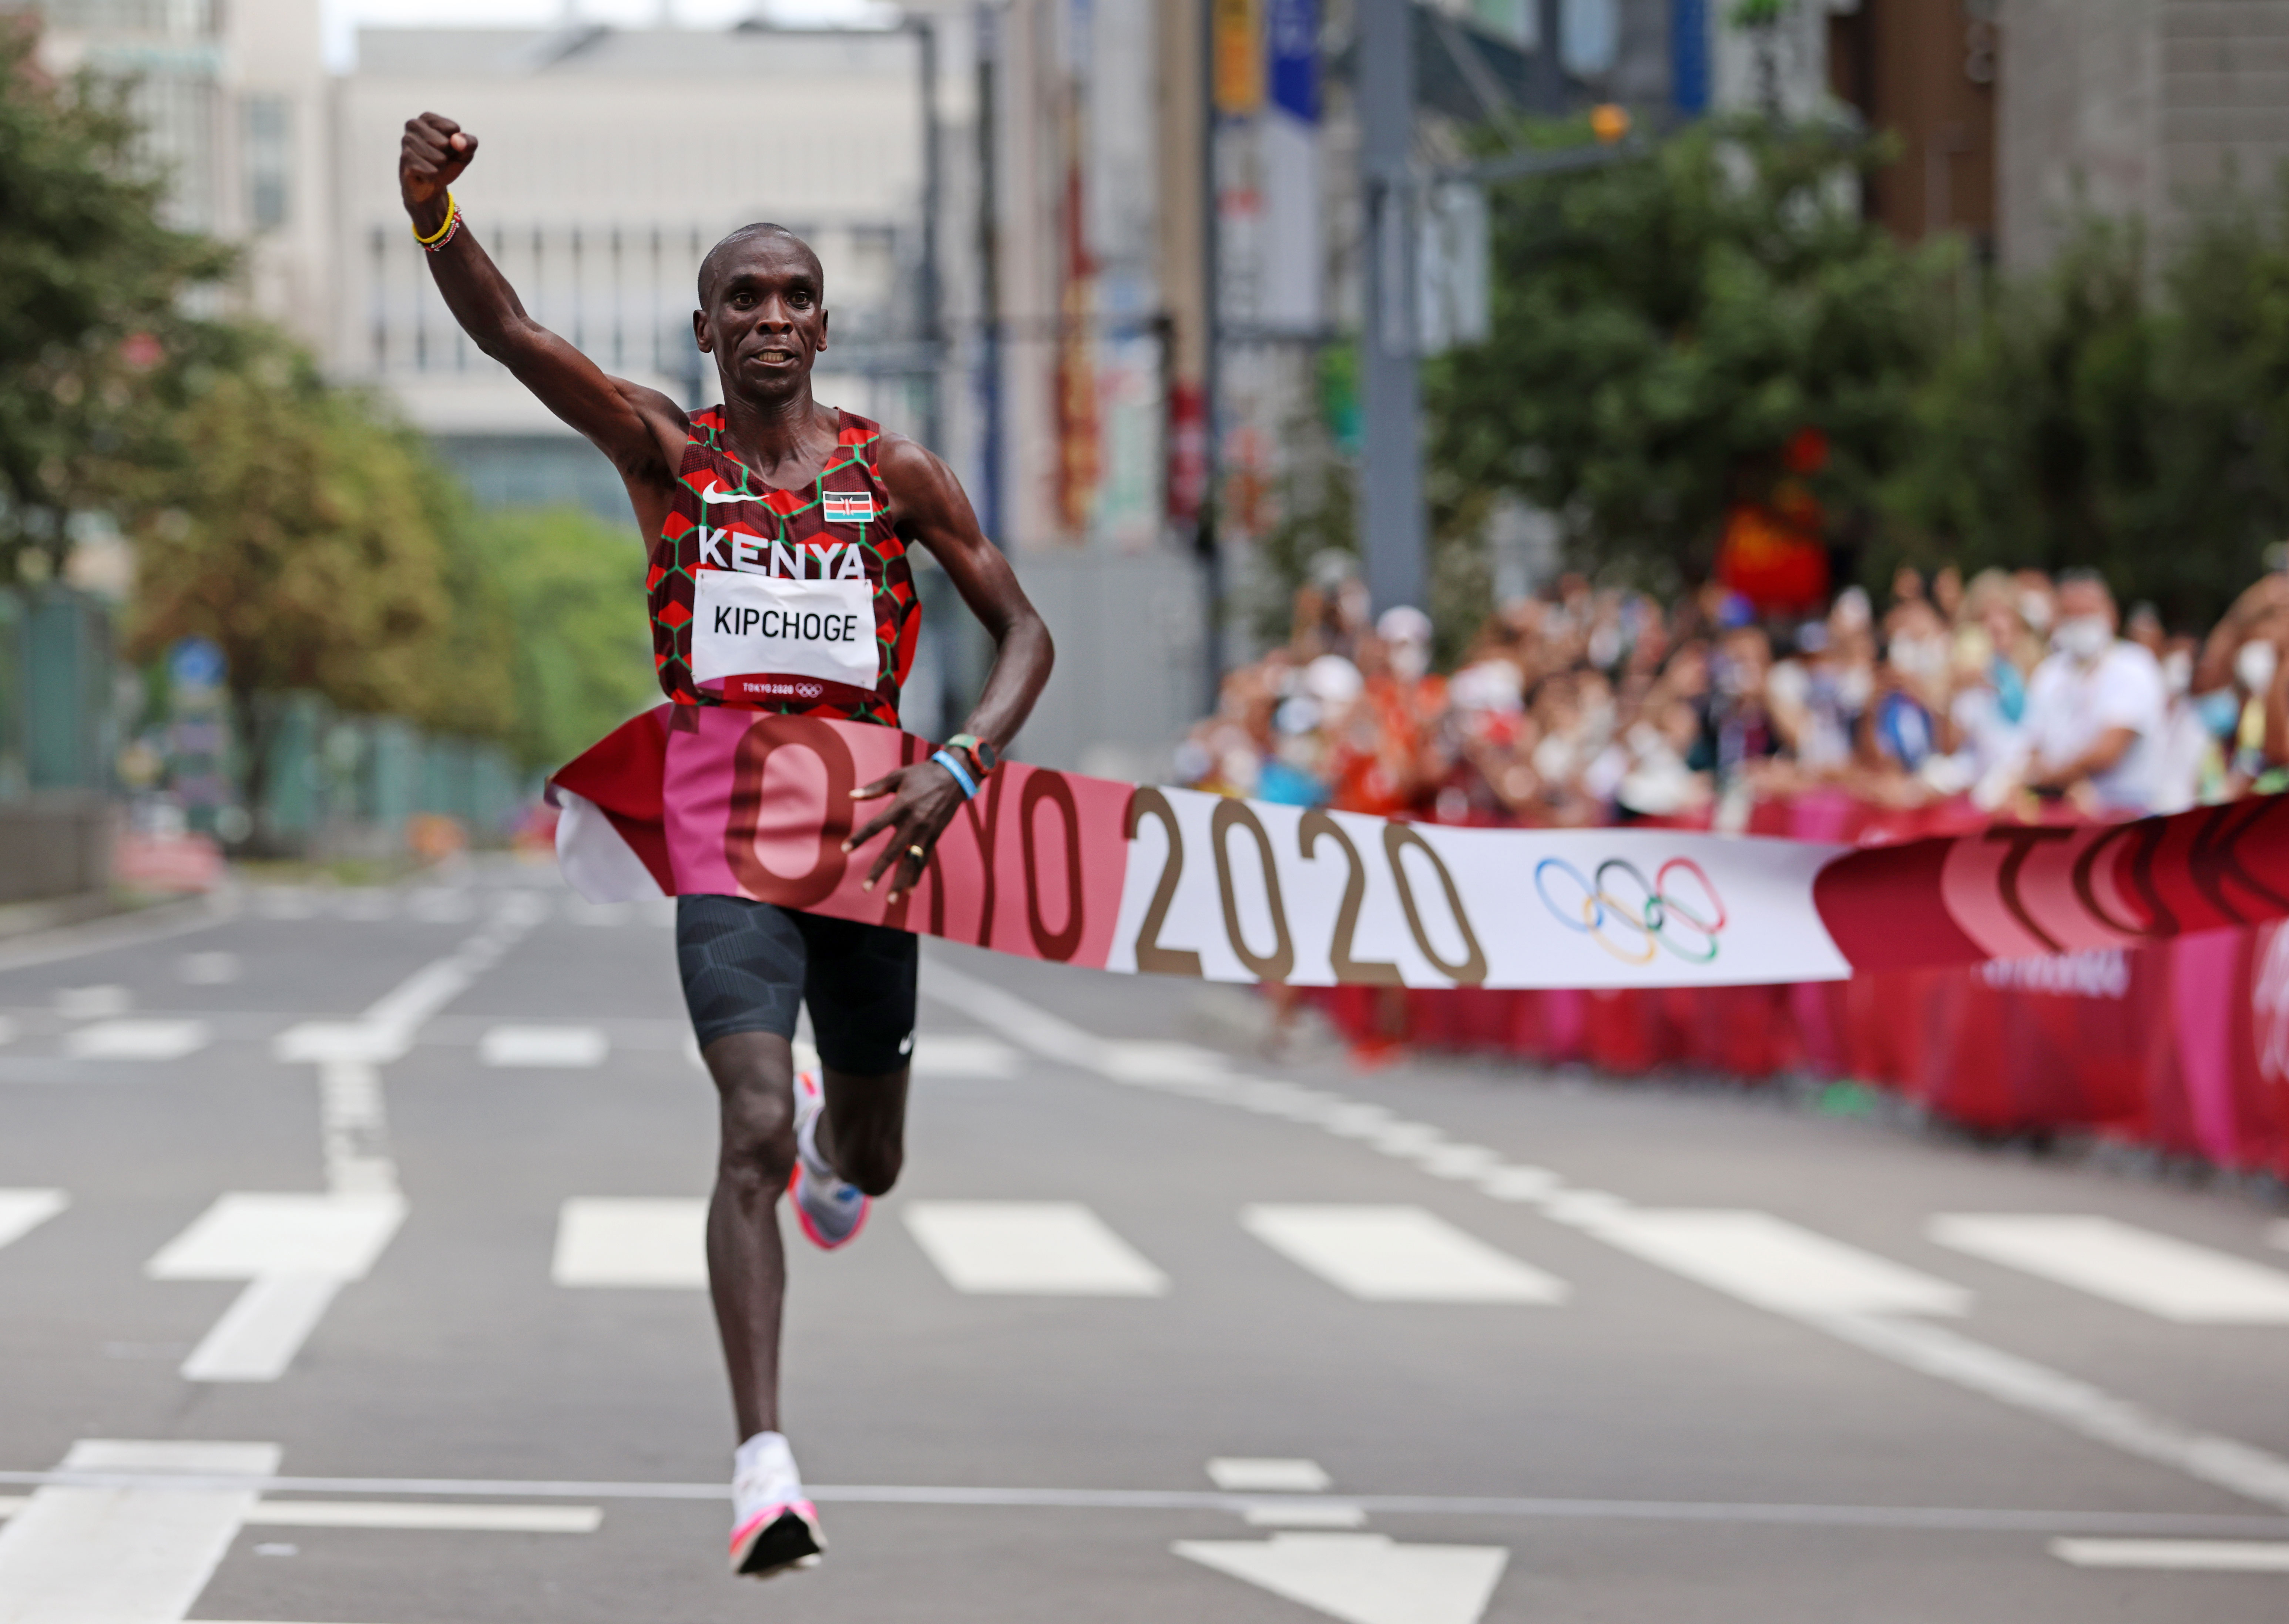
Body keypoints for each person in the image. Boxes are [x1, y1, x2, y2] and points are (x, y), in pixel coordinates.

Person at [398, 114, 1054, 1578]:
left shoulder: (899, 478)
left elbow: (1024, 630)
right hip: (726, 837)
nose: (769, 317)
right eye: (742, 299)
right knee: (747, 1124)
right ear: (703, 328)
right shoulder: (666, 451)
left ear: (825, 323)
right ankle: (764, 1463)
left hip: (874, 840)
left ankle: (842, 1149)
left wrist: (960, 760)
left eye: (794, 296)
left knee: (862, 1159)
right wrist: (434, 214)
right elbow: (510, 332)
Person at [2017, 569, 2165, 814]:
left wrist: (2050, 776)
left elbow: (2109, 751)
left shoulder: (2135, 666)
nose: (2079, 623)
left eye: (2087, 613)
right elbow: (2031, 745)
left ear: (2111, 614)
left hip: (2126, 810)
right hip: (2061, 808)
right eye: (2071, 615)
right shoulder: (2049, 673)